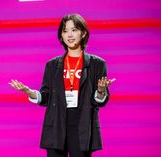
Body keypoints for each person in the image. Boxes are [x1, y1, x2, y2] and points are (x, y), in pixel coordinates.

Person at [9, 13, 115, 157]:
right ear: (61, 35)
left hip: (82, 124)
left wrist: (101, 91)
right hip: (56, 122)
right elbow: (45, 97)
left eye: (74, 30)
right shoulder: (52, 65)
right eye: (65, 31)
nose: (69, 35)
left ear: (83, 33)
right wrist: (30, 93)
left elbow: (98, 101)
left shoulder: (97, 64)